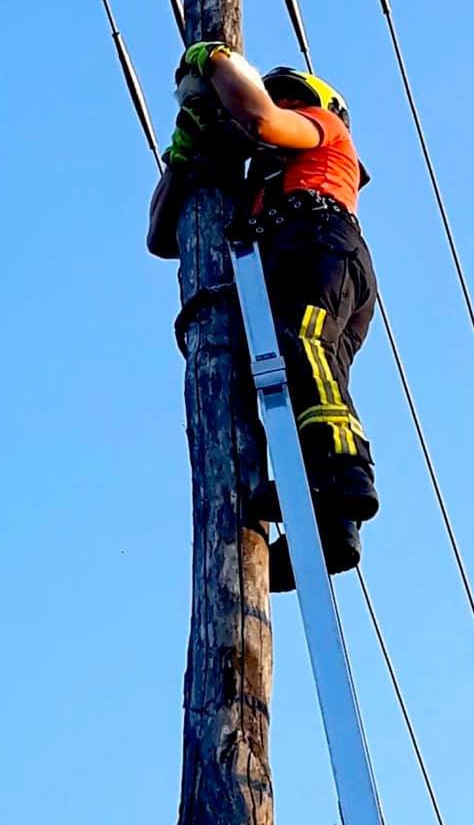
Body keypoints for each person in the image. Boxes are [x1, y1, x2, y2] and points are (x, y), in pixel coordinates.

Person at [148, 42, 379, 591]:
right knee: (290, 371)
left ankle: (343, 471)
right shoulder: (252, 182)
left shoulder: (320, 127)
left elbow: (260, 116)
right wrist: (183, 160)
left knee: (303, 344)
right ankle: (330, 526)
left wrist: (217, 62)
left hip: (319, 240)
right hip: (289, 255)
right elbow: (161, 237)